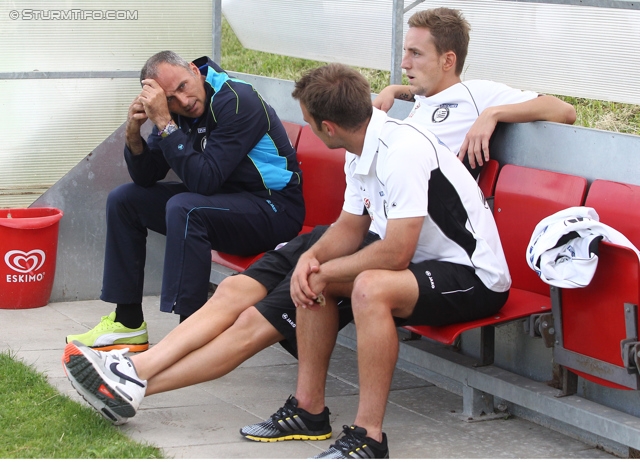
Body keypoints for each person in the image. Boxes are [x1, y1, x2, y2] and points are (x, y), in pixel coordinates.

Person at [62, 63, 511, 458]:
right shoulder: (360, 146)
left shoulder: (403, 151)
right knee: (257, 285)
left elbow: (397, 252)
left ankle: (369, 437)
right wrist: (312, 260)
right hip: (398, 252)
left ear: (327, 127)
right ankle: (300, 409)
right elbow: (350, 228)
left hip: (471, 275)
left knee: (365, 287)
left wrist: (321, 270)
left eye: (310, 123)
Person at [65, 51, 305, 352]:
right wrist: (133, 133)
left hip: (273, 208)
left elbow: (205, 181)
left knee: (186, 208)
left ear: (195, 70)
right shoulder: (173, 112)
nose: (183, 101)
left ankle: (191, 333)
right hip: (223, 203)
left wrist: (166, 123)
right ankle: (127, 323)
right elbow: (146, 175)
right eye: (171, 99)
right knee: (125, 199)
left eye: (182, 86)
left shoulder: (236, 100)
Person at [373, 7, 576, 173]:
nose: (404, 63)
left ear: (448, 61)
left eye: (416, 54)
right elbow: (426, 95)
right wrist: (393, 90)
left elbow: (564, 111)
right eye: (405, 52)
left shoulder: (476, 93)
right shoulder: (426, 93)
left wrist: (492, 113)